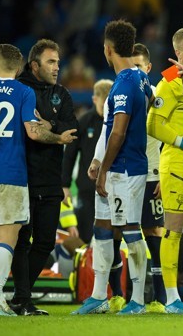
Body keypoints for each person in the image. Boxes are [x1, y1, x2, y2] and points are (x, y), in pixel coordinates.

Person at [0, 43, 76, 316]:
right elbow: (33, 132)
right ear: (19, 68)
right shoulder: (23, 92)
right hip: (12, 174)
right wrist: (59, 138)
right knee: (8, 239)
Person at [72, 19, 153, 315]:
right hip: (118, 164)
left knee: (131, 229)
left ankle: (138, 300)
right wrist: (97, 158)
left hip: (125, 169)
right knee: (102, 227)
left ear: (108, 50)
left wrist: (104, 169)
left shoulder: (124, 84)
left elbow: (118, 131)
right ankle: (98, 296)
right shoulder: (140, 78)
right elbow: (151, 103)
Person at [0, 39, 79, 316]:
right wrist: (53, 134)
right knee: (21, 240)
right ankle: (20, 298)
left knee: (45, 241)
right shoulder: (19, 90)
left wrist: (52, 125)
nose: (57, 67)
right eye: (50, 62)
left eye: (58, 61)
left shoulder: (62, 94)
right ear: (34, 65)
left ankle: (20, 298)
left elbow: (72, 128)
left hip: (51, 177)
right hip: (22, 176)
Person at [146, 27, 183, 314]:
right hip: (178, 163)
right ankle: (172, 299)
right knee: (173, 231)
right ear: (178, 53)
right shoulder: (168, 81)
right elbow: (153, 124)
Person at [131, 43, 166, 311]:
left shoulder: (157, 97)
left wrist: (164, 175)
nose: (136, 72)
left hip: (154, 173)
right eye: (131, 67)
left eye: (140, 67)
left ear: (149, 68)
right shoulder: (121, 95)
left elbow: (168, 139)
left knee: (155, 231)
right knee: (132, 234)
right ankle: (136, 296)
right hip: (129, 174)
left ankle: (161, 297)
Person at [62, 79, 113, 244]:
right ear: (94, 99)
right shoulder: (83, 122)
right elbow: (69, 154)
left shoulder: (117, 123)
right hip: (87, 188)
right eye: (102, 104)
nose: (105, 109)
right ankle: (85, 267)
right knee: (86, 233)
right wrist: (65, 185)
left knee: (108, 233)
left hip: (111, 187)